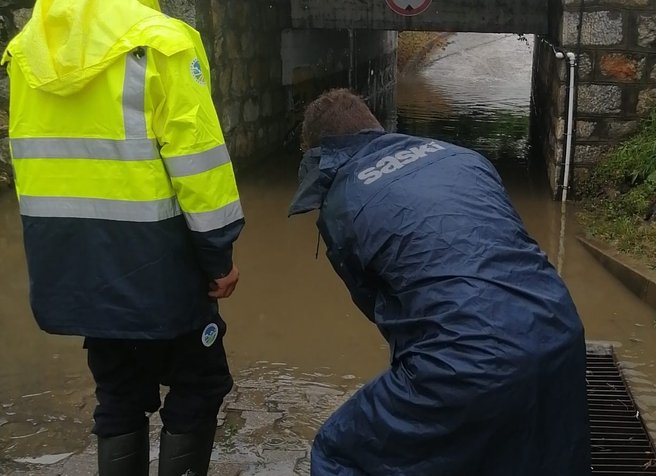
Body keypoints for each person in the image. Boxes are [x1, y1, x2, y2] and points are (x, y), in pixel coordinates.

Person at [289, 88, 591, 475]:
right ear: (374, 126)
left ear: (321, 153)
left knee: (339, 453)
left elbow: (382, 310)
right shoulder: (463, 158)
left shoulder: (342, 202)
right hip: (560, 334)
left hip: (467, 365)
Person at [2, 1, 244, 474]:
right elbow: (200, 166)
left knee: (118, 393)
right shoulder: (163, 41)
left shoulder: (27, 51)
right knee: (200, 383)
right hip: (159, 263)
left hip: (76, 266)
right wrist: (219, 258)